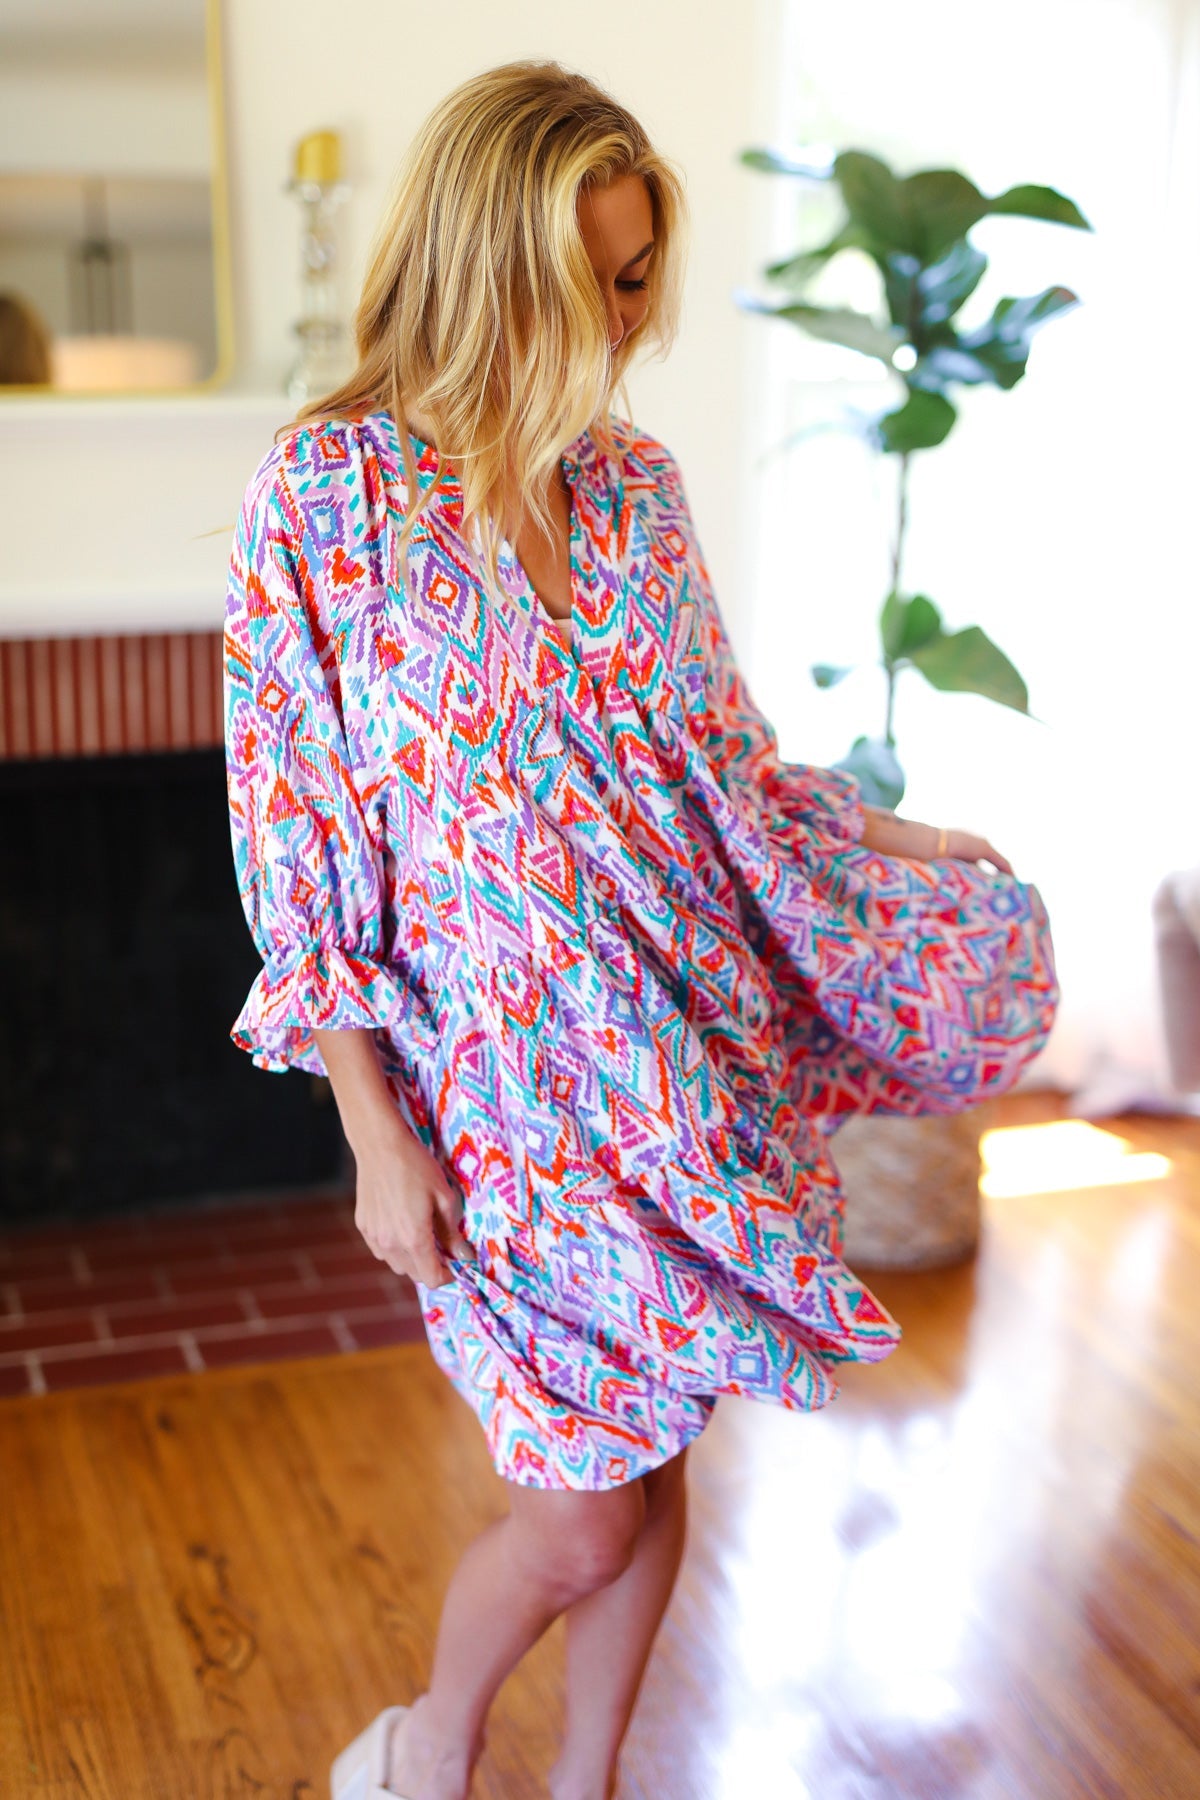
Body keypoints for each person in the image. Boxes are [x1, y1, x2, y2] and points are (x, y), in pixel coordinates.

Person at [223, 61, 1058, 1800]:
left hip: (675, 1071)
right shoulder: (326, 497)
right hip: (491, 1114)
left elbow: (720, 770)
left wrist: (904, 834)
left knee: (655, 1458)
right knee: (582, 1516)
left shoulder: (636, 491)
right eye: (591, 279)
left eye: (635, 276)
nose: (623, 318)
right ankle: (428, 1751)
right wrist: (373, 1135)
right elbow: (300, 861)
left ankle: (589, 1781)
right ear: (487, 266)